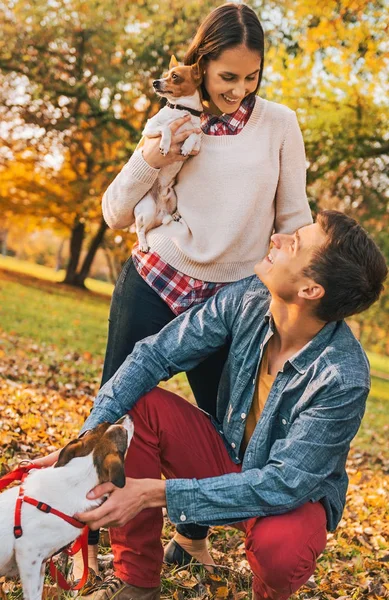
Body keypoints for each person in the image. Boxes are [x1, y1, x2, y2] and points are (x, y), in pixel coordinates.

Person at [82, 1, 313, 576]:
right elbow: (115, 212)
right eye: (227, 76)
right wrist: (151, 154)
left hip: (233, 300)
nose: (239, 89)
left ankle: (190, 538)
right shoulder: (173, 119)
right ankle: (92, 529)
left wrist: (302, 289)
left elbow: (294, 216)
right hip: (158, 279)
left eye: (251, 76)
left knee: (218, 425)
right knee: (119, 410)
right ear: (203, 65)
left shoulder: (279, 124)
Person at [49, 210, 385, 600]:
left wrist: (154, 492)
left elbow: (283, 484)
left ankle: (267, 593)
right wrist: (88, 436)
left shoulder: (343, 376)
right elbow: (154, 356)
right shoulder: (247, 297)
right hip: (225, 457)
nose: (277, 238)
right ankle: (137, 581)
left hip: (289, 499)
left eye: (294, 243)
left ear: (311, 290)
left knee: (282, 550)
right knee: (134, 411)